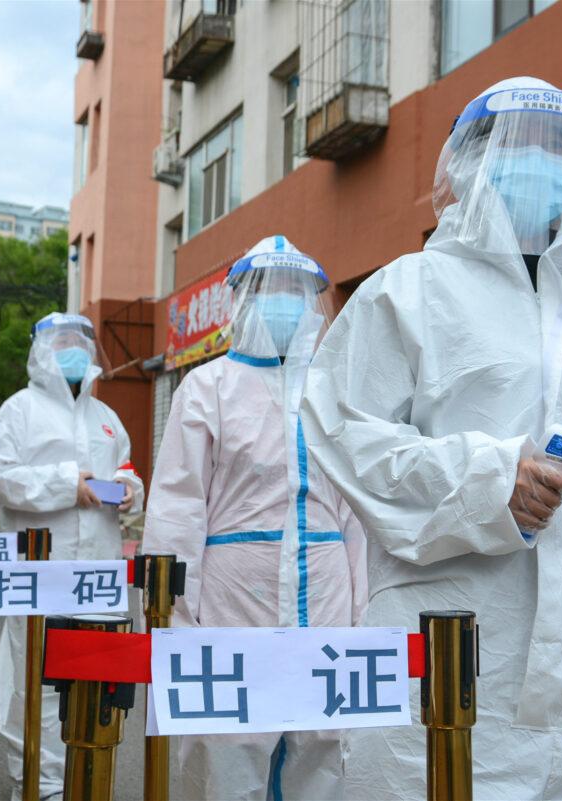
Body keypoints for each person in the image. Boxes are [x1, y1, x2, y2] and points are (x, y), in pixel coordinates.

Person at [300, 77, 562, 800]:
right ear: (469, 164)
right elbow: (345, 438)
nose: (545, 167)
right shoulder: (408, 292)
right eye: (521, 148)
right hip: (459, 662)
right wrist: (492, 480)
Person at [143, 235, 366, 801]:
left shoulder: (333, 391)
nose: (284, 302)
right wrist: (173, 615)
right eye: (270, 290)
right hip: (233, 593)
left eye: (297, 291)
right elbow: (176, 506)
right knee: (229, 744)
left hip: (326, 589)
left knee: (322, 740)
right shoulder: (207, 387)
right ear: (241, 301)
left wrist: (367, 611)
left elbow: (357, 515)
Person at [0, 312, 143, 801]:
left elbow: (128, 469)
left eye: (80, 342)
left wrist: (130, 488)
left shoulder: (107, 418)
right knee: (35, 680)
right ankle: (40, 783)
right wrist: (65, 484)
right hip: (39, 571)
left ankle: (88, 778)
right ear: (41, 350)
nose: (73, 350)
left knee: (96, 677)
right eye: (62, 342)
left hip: (99, 571)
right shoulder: (19, 411)